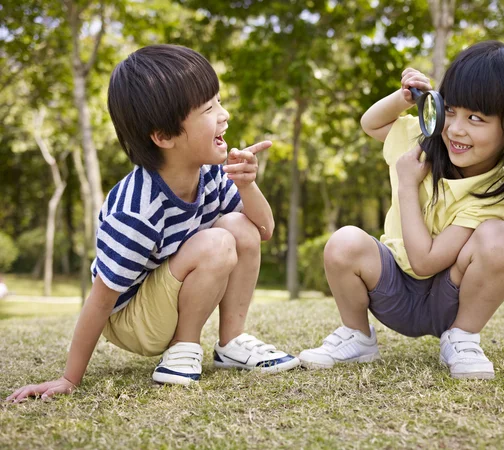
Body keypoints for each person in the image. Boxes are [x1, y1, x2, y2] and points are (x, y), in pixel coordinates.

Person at [7, 44, 300, 402]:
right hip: (132, 320)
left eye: (219, 102)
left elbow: (263, 231)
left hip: (168, 293)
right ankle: (183, 347)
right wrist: (69, 378)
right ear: (164, 136)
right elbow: (101, 299)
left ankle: (232, 342)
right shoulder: (137, 210)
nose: (224, 115)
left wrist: (247, 185)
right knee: (217, 242)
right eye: (209, 108)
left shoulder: (211, 176)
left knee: (238, 226)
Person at [298, 41, 504, 379]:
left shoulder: (496, 191)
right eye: (450, 110)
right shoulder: (421, 143)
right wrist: (403, 98)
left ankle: (462, 337)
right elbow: (371, 124)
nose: (456, 128)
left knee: (501, 238)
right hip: (391, 289)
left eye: (476, 118)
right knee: (344, 241)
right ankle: (357, 335)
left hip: (447, 299)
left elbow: (425, 261)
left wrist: (407, 185)